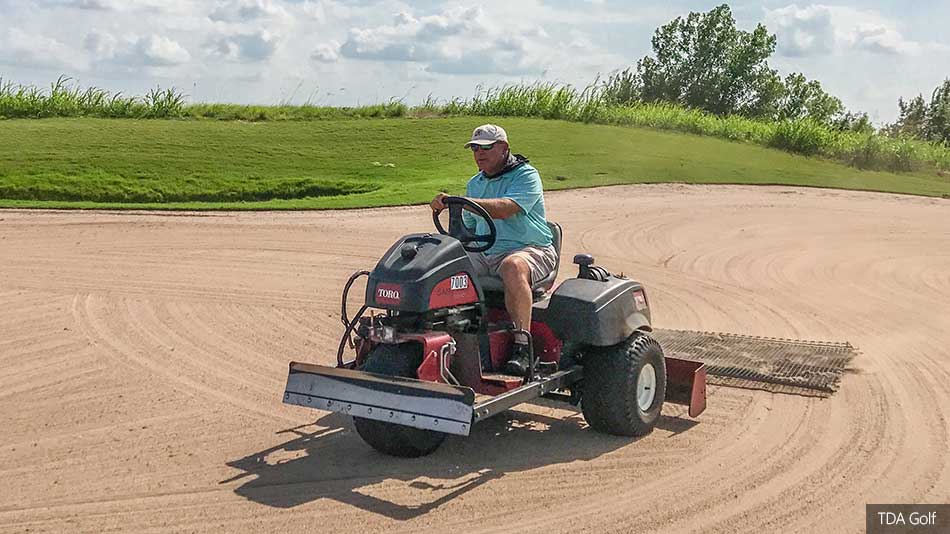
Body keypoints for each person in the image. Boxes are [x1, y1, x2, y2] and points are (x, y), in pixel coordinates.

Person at [430, 124, 556, 375]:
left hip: (531, 249)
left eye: (486, 147)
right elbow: (466, 230)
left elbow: (505, 208)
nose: (479, 153)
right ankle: (447, 334)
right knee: (442, 264)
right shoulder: (475, 183)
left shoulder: (525, 175)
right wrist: (451, 211)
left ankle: (522, 347)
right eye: (475, 148)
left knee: (512, 266)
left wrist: (462, 202)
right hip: (486, 252)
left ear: (504, 148)